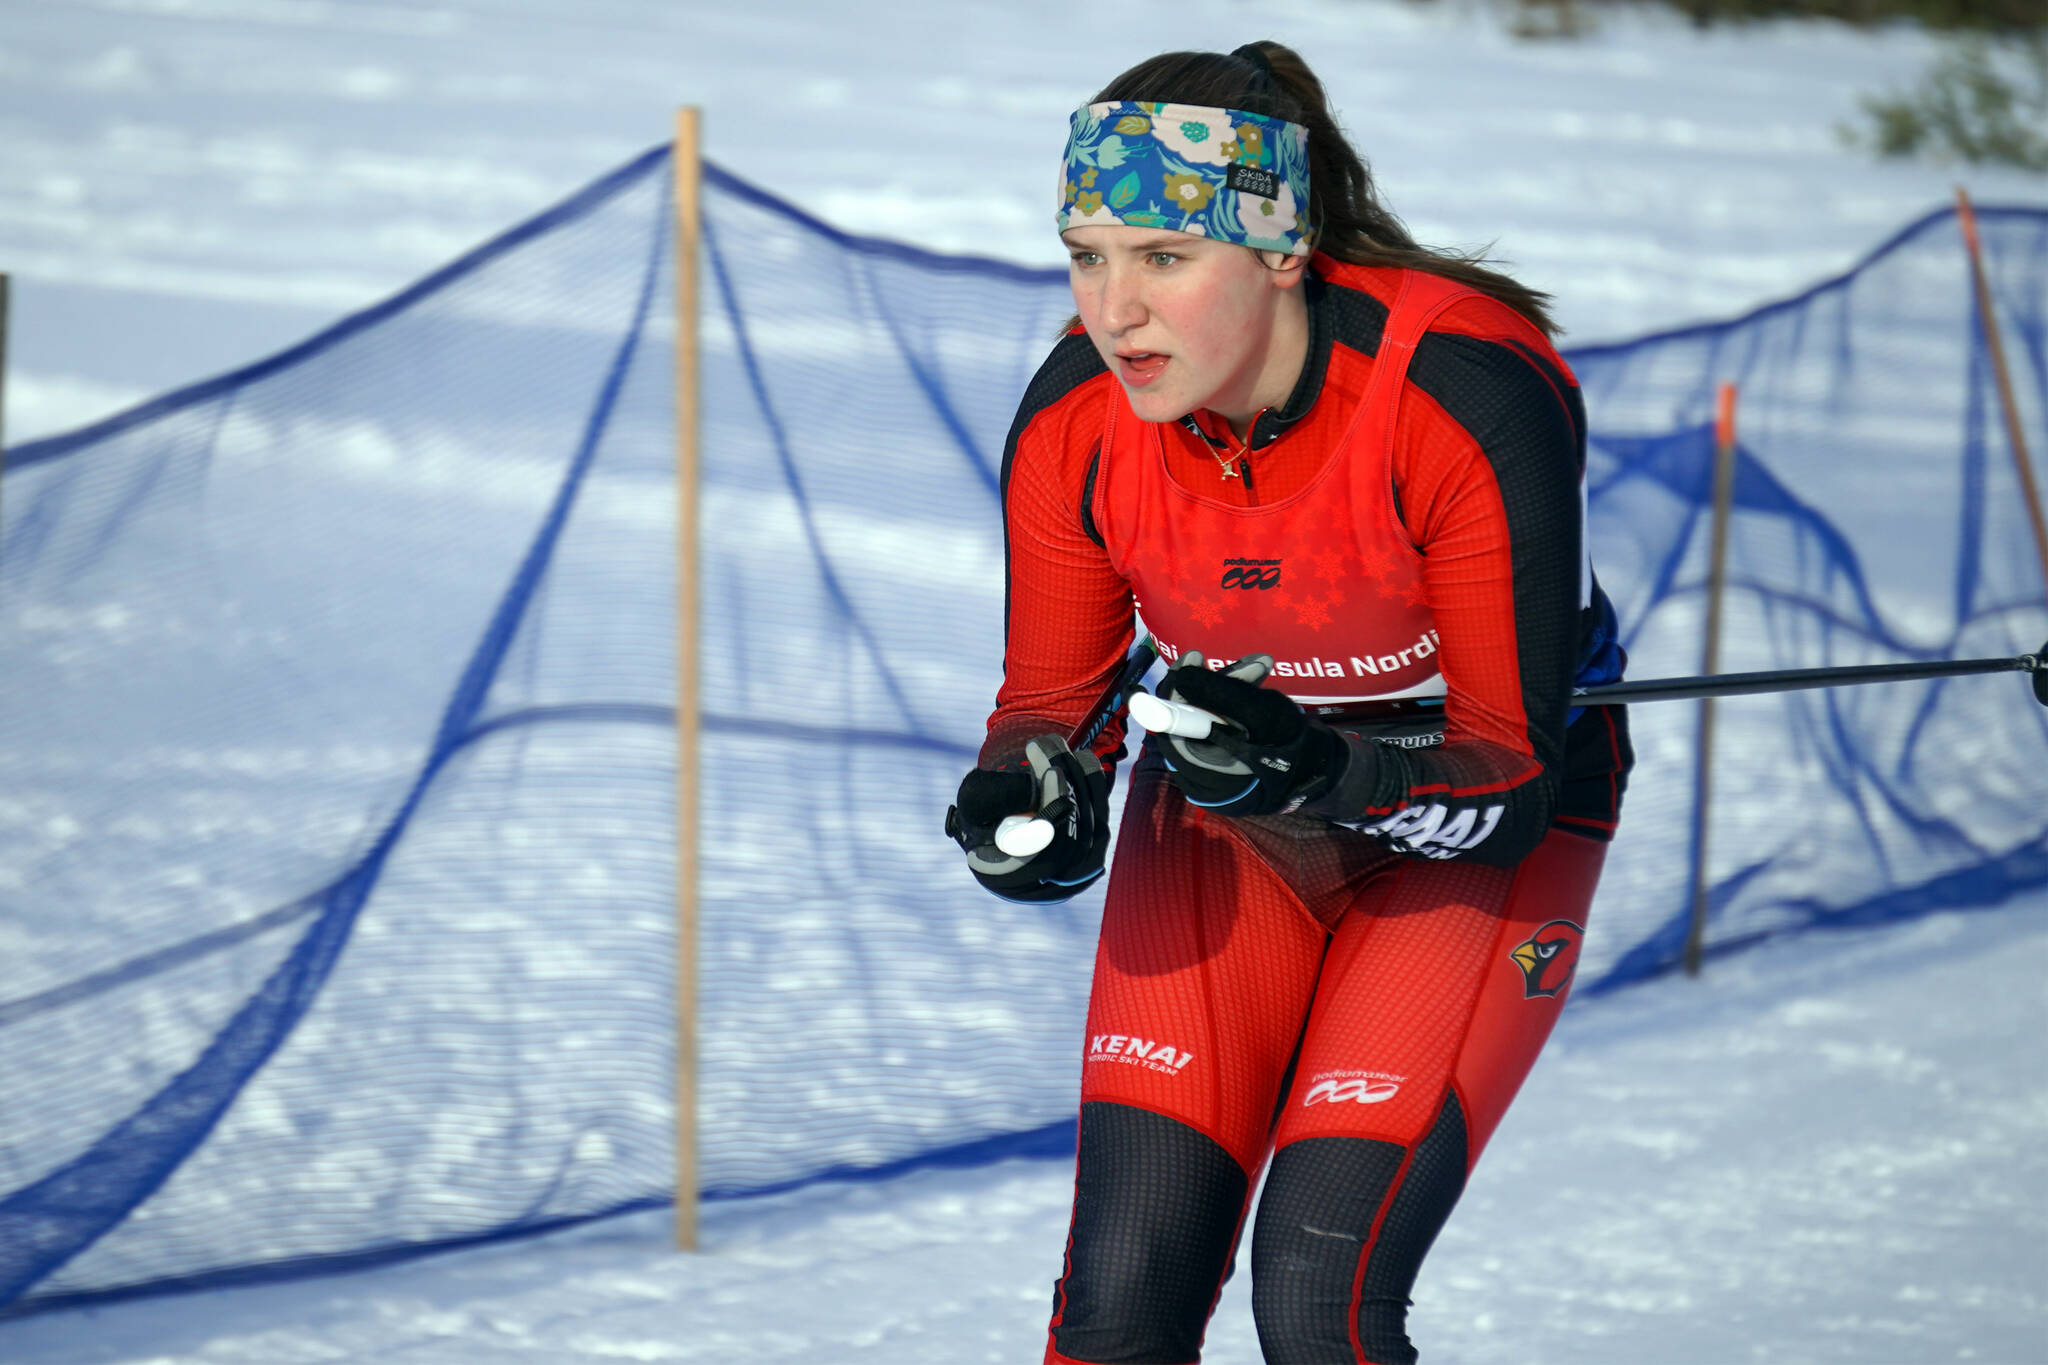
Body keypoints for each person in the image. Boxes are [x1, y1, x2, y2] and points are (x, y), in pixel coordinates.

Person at [944, 40, 1633, 1365]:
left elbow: (1507, 778)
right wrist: (1029, 799)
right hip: (1228, 806)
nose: (1114, 309)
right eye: (1086, 256)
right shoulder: (1077, 419)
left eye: (1163, 256)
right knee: (1118, 1305)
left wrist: (1320, 771)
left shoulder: (1458, 393)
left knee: (1320, 1298)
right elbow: (1055, 700)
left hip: (1474, 805)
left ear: (1280, 251)